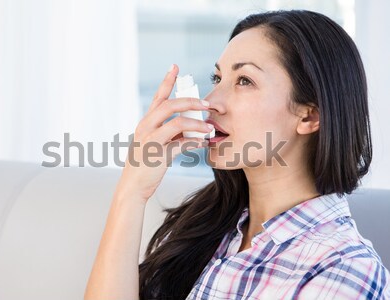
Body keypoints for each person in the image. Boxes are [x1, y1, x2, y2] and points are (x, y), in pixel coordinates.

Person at [84, 10, 390, 300]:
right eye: (217, 79)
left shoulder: (344, 271)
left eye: (245, 81)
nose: (211, 101)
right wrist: (132, 191)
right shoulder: (208, 228)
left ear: (309, 116)